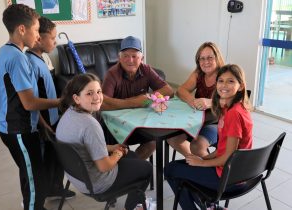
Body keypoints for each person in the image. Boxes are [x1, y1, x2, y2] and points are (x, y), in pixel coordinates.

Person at [0, 4, 60, 210]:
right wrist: (61, 101)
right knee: (37, 185)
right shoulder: (17, 58)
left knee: (30, 173)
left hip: (15, 127)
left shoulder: (5, 51)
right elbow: (29, 102)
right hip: (18, 130)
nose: (37, 36)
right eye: (35, 29)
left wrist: (41, 122)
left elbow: (20, 99)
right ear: (22, 29)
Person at [56, 73, 152, 210]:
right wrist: (117, 153)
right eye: (89, 93)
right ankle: (134, 205)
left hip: (78, 178)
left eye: (99, 91)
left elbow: (86, 146)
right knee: (146, 168)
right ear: (76, 98)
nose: (97, 97)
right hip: (97, 184)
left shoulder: (68, 114)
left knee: (132, 156)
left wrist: (112, 148)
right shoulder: (90, 125)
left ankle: (129, 197)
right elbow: (104, 166)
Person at [164, 64, 253, 210]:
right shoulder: (236, 107)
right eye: (221, 81)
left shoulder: (233, 114)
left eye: (231, 81)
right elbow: (223, 150)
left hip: (228, 178)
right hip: (238, 173)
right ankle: (210, 206)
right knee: (184, 166)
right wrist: (202, 159)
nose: (224, 85)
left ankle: (201, 206)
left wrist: (201, 164)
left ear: (241, 86)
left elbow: (228, 156)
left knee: (170, 170)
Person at [25, 16, 75, 200]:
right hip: (43, 122)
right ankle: (42, 193)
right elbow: (31, 100)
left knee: (56, 156)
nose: (55, 41)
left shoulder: (42, 57)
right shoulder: (29, 62)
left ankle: (55, 186)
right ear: (39, 38)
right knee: (45, 159)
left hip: (53, 118)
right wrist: (43, 125)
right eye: (53, 38)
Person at [101, 35, 174, 160]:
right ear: (119, 58)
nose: (130, 60)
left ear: (142, 58)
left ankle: (132, 168)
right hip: (115, 126)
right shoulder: (112, 74)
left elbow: (169, 90)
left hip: (140, 123)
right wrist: (134, 102)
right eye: (125, 56)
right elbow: (103, 104)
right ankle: (126, 168)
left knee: (152, 142)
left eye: (134, 56)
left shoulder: (146, 69)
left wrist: (149, 97)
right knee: (120, 150)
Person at [167, 42, 225, 157]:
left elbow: (233, 101)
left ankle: (209, 169)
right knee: (172, 138)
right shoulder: (199, 73)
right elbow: (181, 90)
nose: (206, 62)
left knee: (197, 146)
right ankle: (197, 163)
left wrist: (210, 102)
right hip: (196, 119)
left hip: (217, 122)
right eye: (202, 59)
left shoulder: (225, 76)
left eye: (210, 58)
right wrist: (193, 101)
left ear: (217, 58)